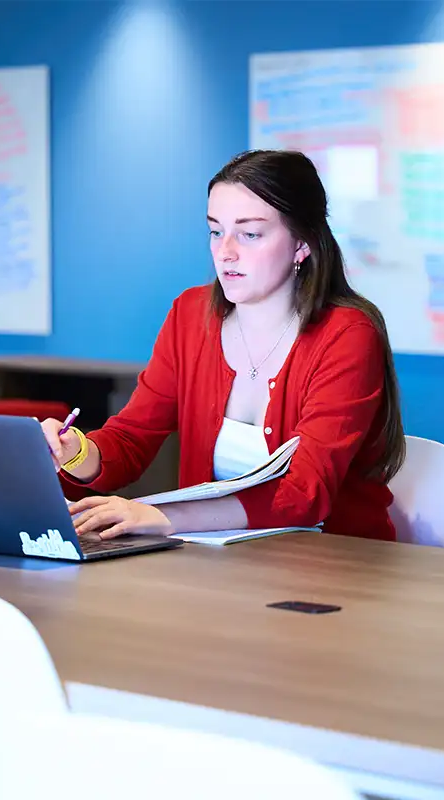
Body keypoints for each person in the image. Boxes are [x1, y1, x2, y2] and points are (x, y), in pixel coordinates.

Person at [41, 149, 405, 542]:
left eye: (250, 234)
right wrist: (74, 450)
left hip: (338, 563)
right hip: (220, 567)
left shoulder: (348, 333)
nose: (225, 251)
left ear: (302, 244)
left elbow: (305, 494)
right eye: (216, 231)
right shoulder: (190, 315)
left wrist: (164, 516)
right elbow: (131, 441)